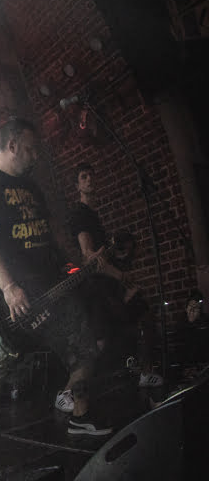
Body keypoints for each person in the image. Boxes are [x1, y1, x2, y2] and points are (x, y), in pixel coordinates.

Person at [0, 118, 112, 462]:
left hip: (54, 290)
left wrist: (76, 264)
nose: (35, 155)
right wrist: (9, 287)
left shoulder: (33, 188)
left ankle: (80, 415)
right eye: (30, 148)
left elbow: (51, 236)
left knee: (86, 350)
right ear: (11, 145)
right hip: (18, 297)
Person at [61, 164, 161, 413]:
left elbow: (101, 256)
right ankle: (66, 392)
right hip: (97, 287)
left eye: (91, 175)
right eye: (83, 177)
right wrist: (120, 275)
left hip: (109, 284)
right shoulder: (80, 214)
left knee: (142, 314)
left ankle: (145, 372)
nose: (89, 180)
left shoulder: (93, 215)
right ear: (77, 186)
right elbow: (89, 257)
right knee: (98, 344)